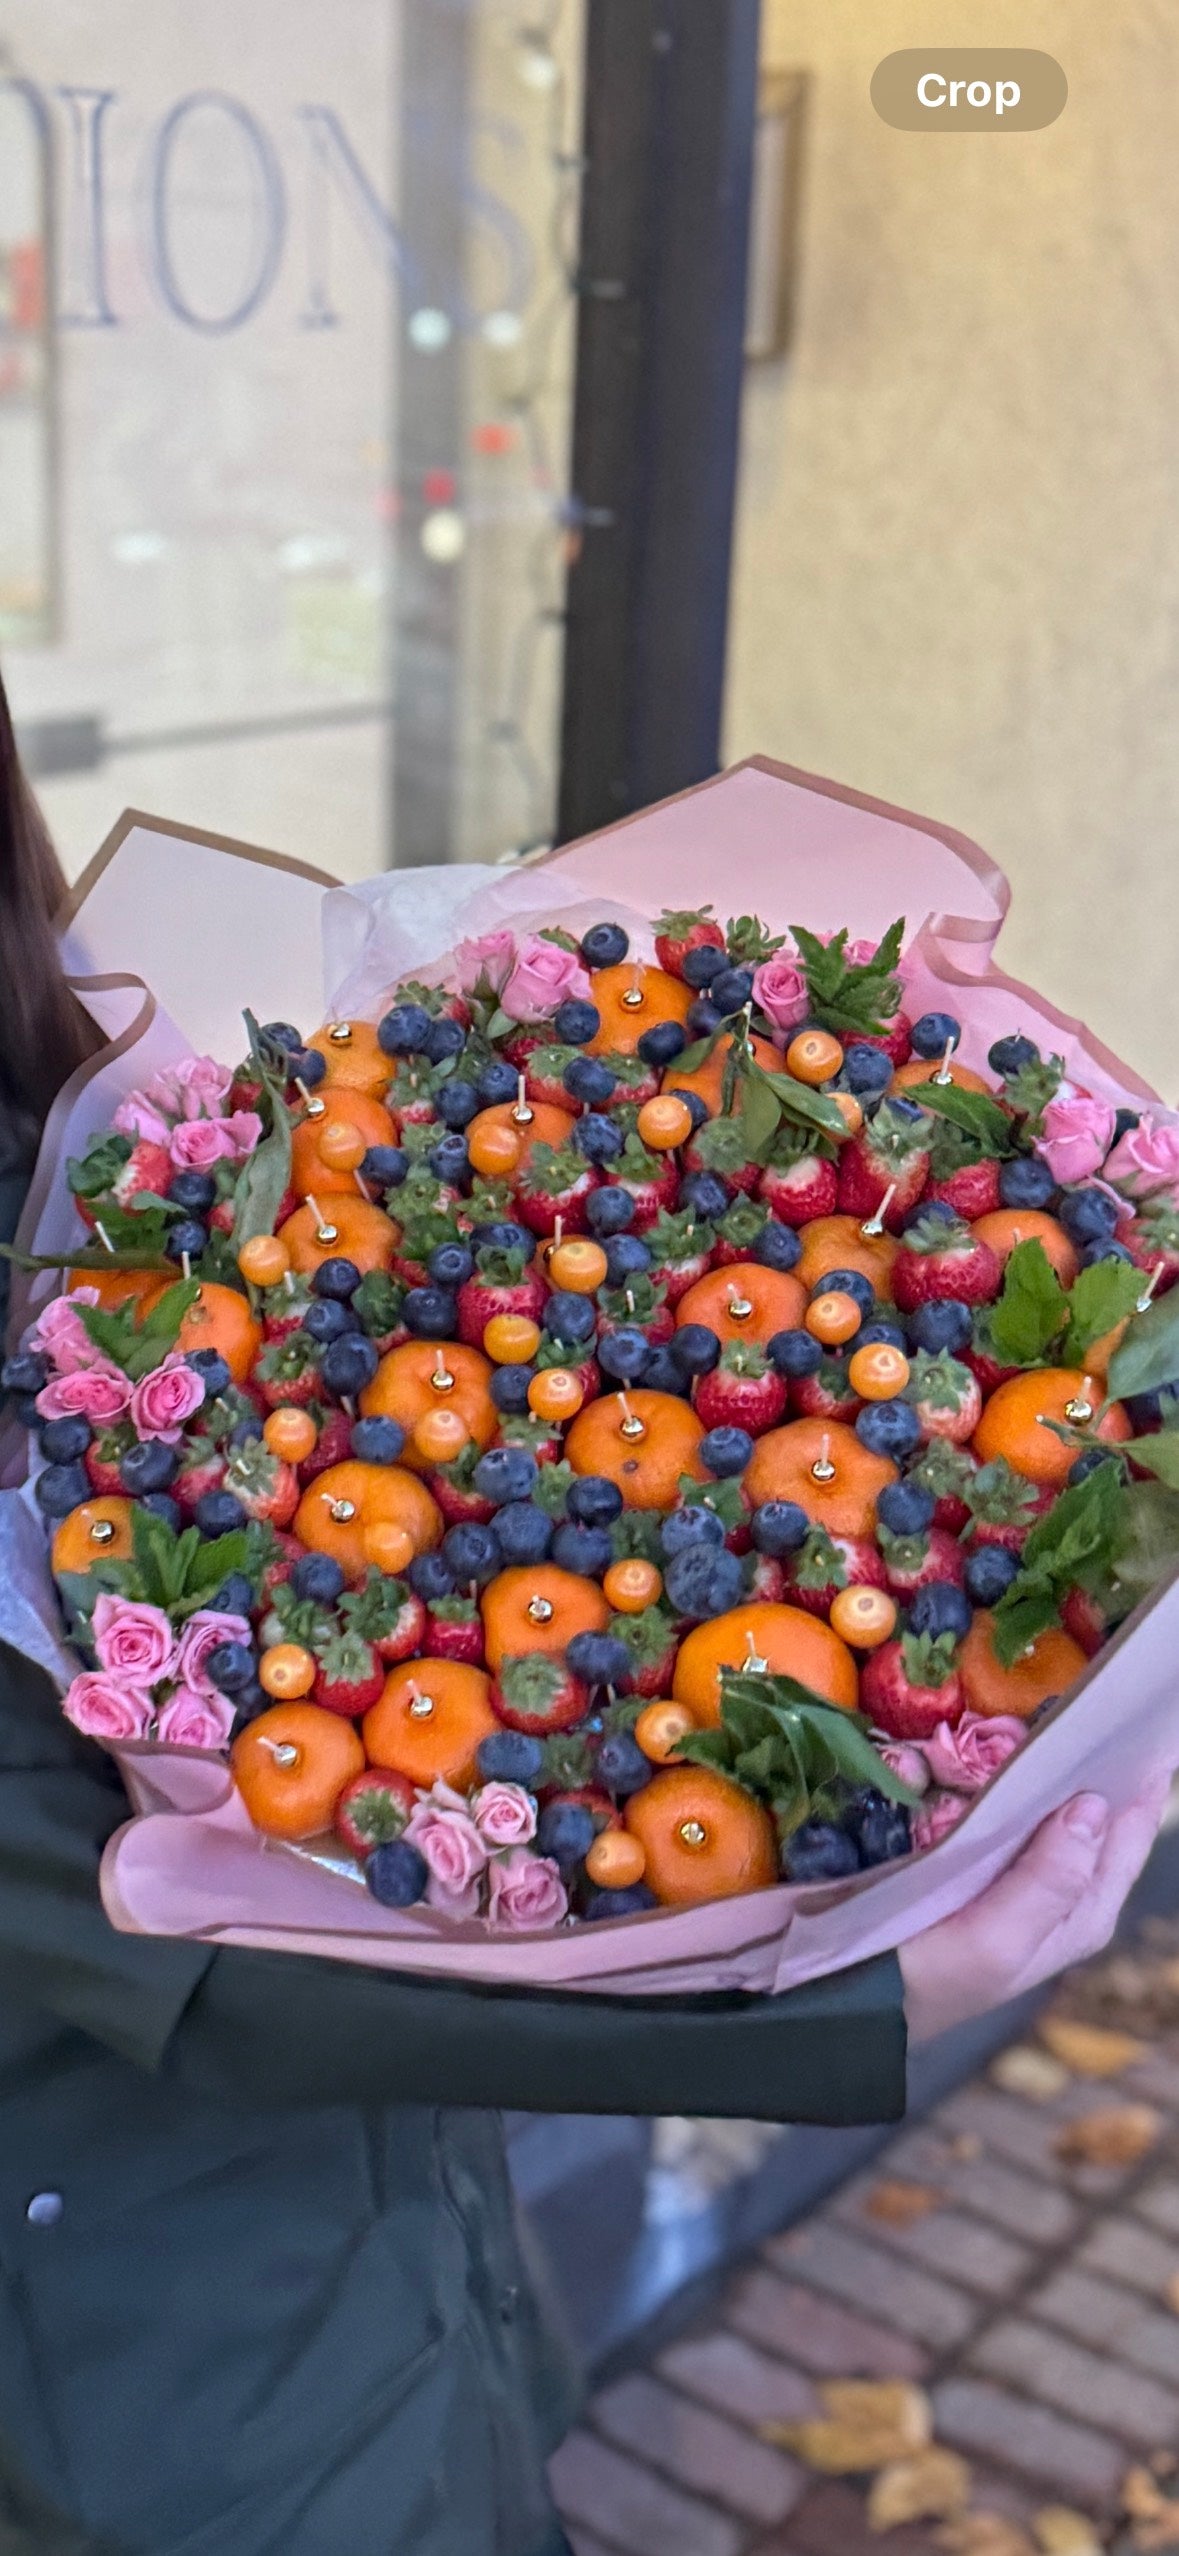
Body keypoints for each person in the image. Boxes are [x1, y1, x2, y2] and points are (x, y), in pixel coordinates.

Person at [0, 666, 1170, 2556]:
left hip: (410, 2250)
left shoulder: (80, 1114)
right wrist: (864, 2013)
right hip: (151, 2395)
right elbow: (180, 1972)